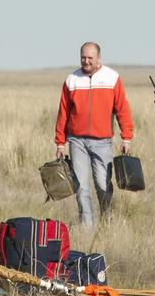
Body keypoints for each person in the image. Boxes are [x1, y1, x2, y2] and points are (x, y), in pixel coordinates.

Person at [53, 42, 134, 227]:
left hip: (103, 141)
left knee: (103, 185)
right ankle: (86, 227)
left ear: (99, 58)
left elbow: (122, 109)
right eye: (83, 57)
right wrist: (60, 142)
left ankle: (108, 222)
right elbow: (63, 113)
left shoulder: (112, 78)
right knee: (81, 187)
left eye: (90, 58)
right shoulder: (71, 80)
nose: (86, 61)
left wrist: (126, 137)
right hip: (76, 141)